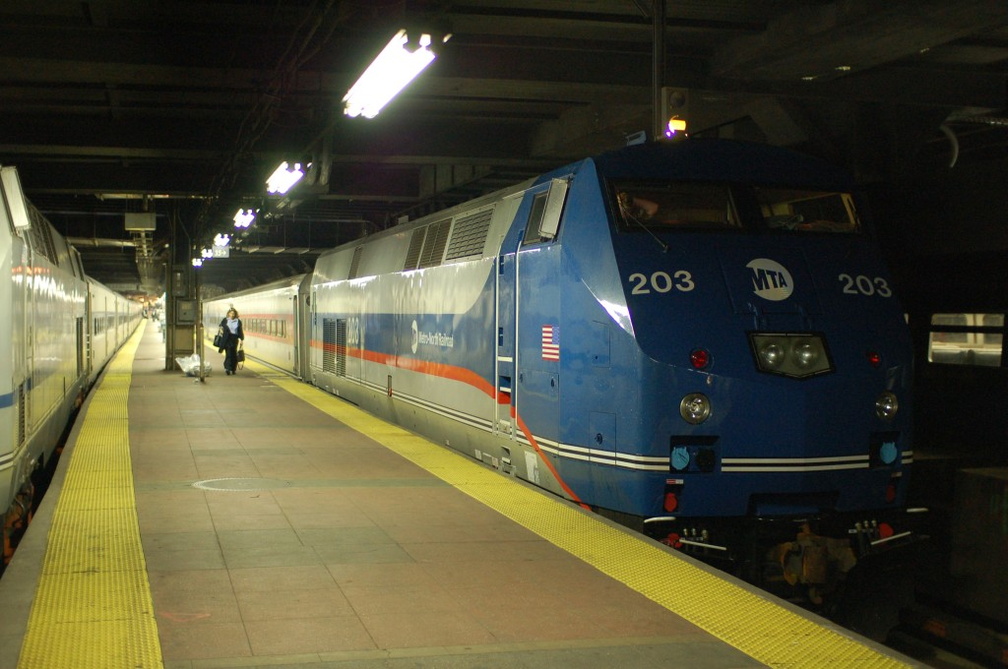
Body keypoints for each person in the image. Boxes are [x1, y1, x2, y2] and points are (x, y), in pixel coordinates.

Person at [218, 307, 245, 375]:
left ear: (235, 314)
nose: (232, 314)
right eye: (231, 313)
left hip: (234, 339)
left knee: (234, 354)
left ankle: (233, 369)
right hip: (227, 339)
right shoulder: (225, 320)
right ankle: (227, 368)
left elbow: (240, 331)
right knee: (228, 353)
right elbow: (221, 326)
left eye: (233, 313)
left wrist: (241, 339)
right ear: (228, 314)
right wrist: (221, 330)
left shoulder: (238, 321)